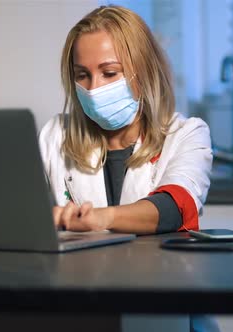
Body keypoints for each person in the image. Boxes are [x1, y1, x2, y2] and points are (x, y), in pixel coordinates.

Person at [39, 5, 212, 235]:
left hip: (157, 270)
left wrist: (103, 217)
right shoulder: (56, 134)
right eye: (82, 75)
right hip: (79, 271)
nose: (93, 89)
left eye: (109, 73)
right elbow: (20, 205)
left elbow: (174, 208)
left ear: (143, 73)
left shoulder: (186, 134)